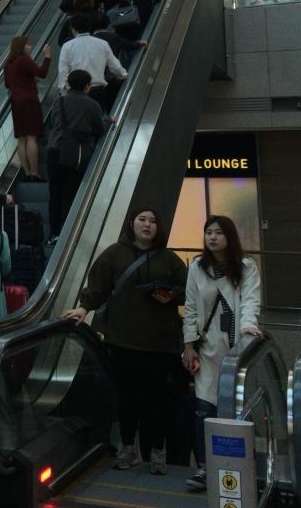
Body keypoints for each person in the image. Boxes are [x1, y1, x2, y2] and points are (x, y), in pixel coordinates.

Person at [62, 207, 186, 475]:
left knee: (157, 401)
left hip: (160, 344)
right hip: (122, 341)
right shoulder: (114, 254)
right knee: (127, 399)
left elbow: (188, 290)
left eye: (153, 221)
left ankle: (158, 451)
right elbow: (98, 286)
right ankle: (128, 448)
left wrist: (170, 294)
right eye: (142, 219)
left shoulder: (169, 259)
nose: (147, 224)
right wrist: (83, 308)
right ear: (132, 224)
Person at [182, 215, 262, 492]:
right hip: (208, 348)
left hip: (236, 348)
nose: (212, 237)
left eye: (218, 232)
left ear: (229, 236)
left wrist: (249, 326)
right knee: (204, 409)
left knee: (236, 409)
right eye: (208, 233)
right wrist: (188, 346)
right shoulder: (197, 267)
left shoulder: (245, 266)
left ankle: (241, 467)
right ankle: (206, 467)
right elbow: (190, 308)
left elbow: (250, 300)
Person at [44, 69, 109, 243]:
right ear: (87, 86)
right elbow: (99, 129)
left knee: (55, 193)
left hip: (54, 150)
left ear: (69, 84)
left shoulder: (59, 101)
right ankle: (67, 234)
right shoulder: (92, 105)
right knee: (70, 193)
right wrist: (107, 120)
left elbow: (53, 122)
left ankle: (53, 233)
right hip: (75, 154)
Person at [3, 35, 52, 180]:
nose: (30, 47)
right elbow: (42, 73)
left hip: (16, 103)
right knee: (31, 137)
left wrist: (28, 79)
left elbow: (8, 84)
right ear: (21, 47)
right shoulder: (23, 60)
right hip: (29, 102)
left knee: (22, 139)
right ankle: (34, 172)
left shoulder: (9, 64)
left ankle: (26, 172)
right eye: (27, 45)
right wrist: (47, 57)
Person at [56, 13, 126, 113]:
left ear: (73, 29)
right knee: (97, 119)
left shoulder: (67, 46)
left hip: (76, 92)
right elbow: (115, 67)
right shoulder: (102, 44)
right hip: (98, 91)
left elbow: (63, 72)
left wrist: (65, 93)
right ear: (89, 27)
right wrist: (123, 75)